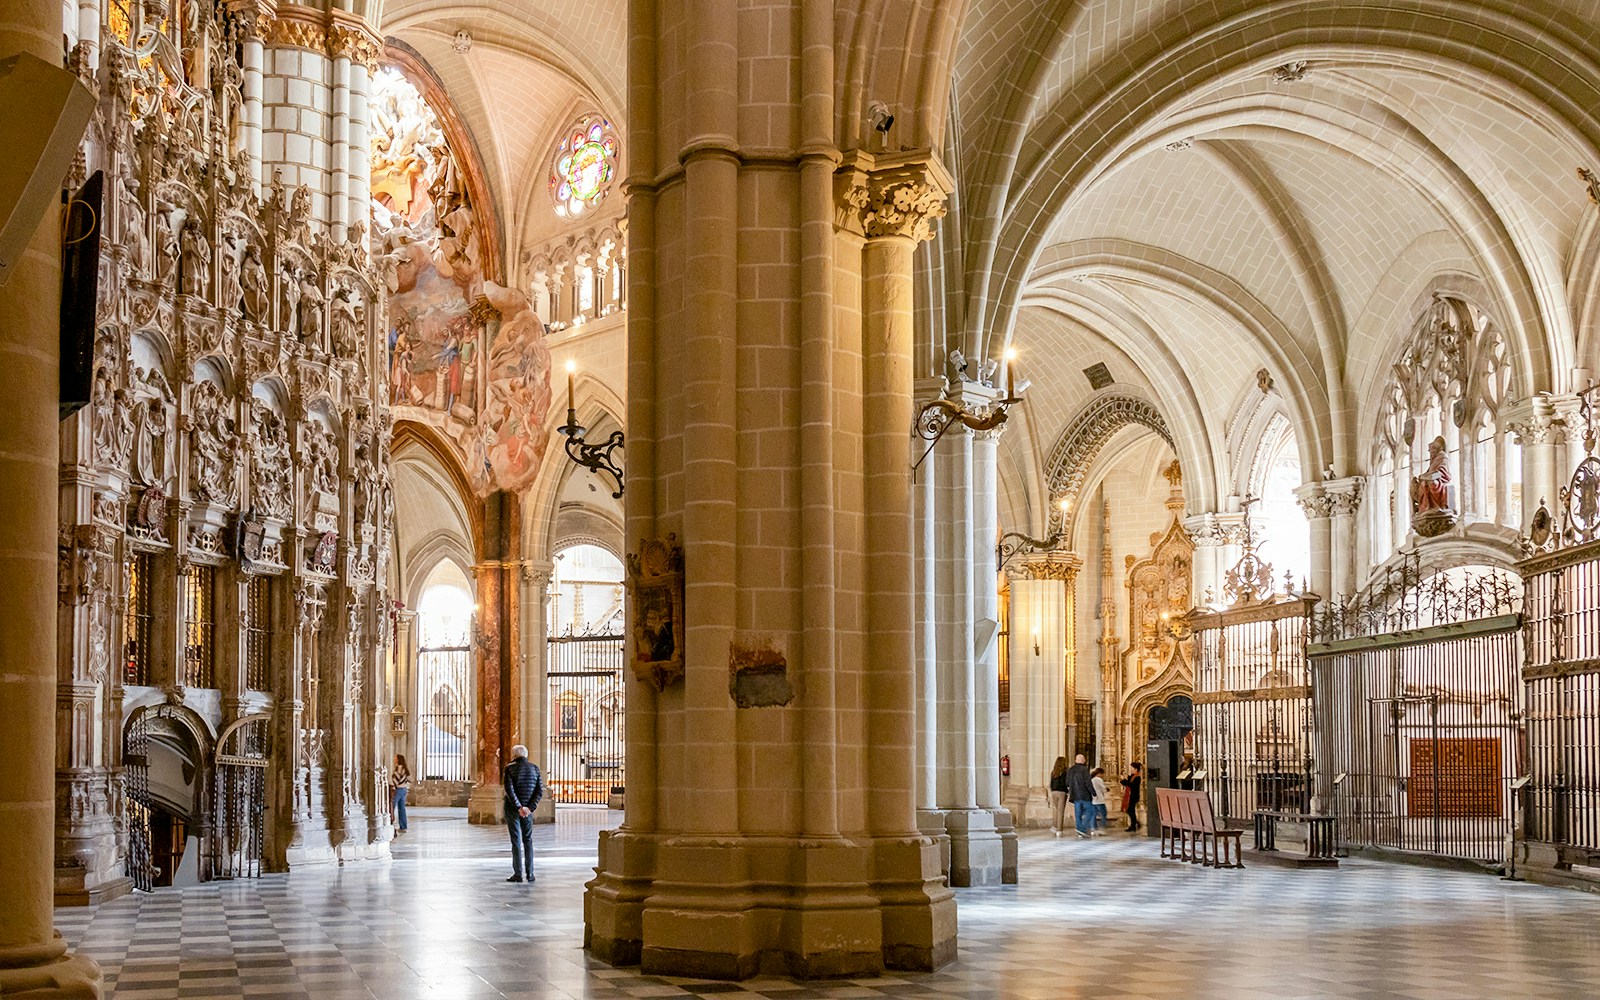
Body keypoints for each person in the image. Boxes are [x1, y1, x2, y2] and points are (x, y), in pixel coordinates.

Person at [503, 744, 544, 883]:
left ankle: (518, 874)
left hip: (513, 809)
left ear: (514, 755)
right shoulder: (535, 769)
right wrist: (529, 808)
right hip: (527, 811)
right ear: (526, 755)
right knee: (528, 840)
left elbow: (509, 790)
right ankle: (530, 873)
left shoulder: (509, 768)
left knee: (516, 841)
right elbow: (539, 791)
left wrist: (519, 806)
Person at [1064, 754, 1095, 839]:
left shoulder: (1070, 770)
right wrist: (1093, 792)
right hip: (1084, 795)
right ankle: (1083, 828)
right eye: (1084, 758)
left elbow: (1067, 782)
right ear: (1082, 760)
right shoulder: (1084, 769)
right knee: (1091, 811)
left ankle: (1079, 829)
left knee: (1078, 813)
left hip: (1075, 795)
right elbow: (1088, 783)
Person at [1048, 756, 1069, 837]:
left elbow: (1051, 783)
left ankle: (1054, 826)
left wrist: (1052, 790)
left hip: (1054, 792)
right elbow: (1066, 783)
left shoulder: (1053, 772)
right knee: (1060, 812)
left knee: (1055, 810)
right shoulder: (1064, 772)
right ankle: (1059, 830)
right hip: (1062, 792)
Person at [1121, 762, 1144, 832]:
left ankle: (1134, 824)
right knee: (1130, 811)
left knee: (1130, 810)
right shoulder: (1132, 776)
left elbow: (1132, 785)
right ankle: (1134, 824)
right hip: (1130, 795)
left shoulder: (1137, 777)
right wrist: (1123, 779)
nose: (1131, 769)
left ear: (1136, 769)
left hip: (1133, 796)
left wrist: (1125, 781)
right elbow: (1127, 783)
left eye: (1132, 768)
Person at [392, 754, 411, 835]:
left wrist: (394, 787)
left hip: (399, 789)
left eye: (395, 757)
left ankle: (390, 824)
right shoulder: (404, 768)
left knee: (391, 807)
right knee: (402, 808)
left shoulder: (399, 768)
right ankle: (403, 826)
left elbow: (397, 779)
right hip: (404, 789)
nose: (394, 759)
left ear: (398, 759)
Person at [1090, 767, 1109, 836]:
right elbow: (1103, 789)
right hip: (1099, 800)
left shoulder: (1091, 779)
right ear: (1100, 773)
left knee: (1093, 815)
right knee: (1104, 814)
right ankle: (1101, 828)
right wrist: (1107, 789)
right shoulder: (1098, 779)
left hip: (1093, 800)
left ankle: (1093, 828)